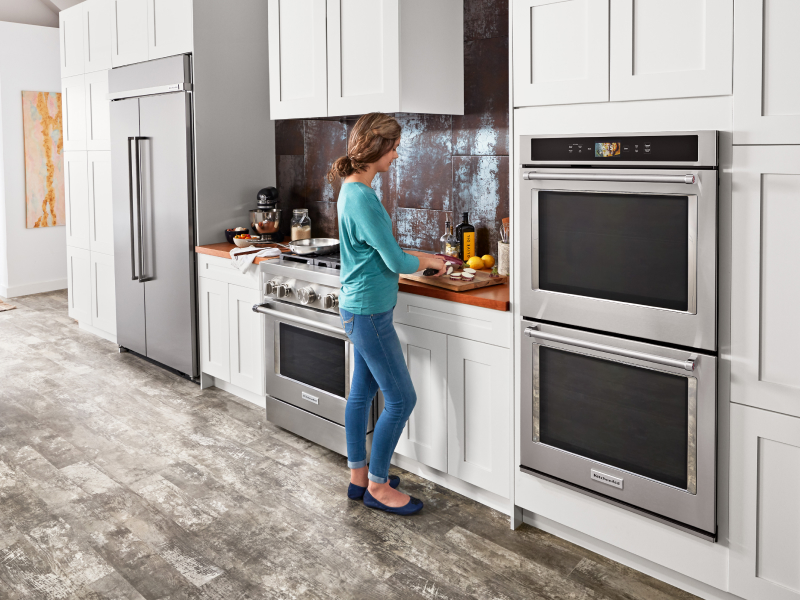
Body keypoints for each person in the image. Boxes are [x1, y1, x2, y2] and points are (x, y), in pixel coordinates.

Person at [327, 113, 446, 515]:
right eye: (394, 146)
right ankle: (378, 485)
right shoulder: (362, 196)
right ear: (377, 148)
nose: (397, 154)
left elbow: (378, 252)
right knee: (401, 398)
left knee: (361, 391)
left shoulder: (350, 190)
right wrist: (430, 260)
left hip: (360, 307)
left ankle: (359, 476)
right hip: (369, 313)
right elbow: (395, 259)